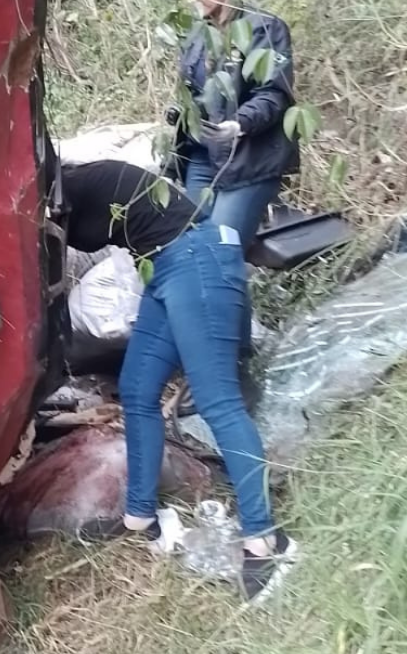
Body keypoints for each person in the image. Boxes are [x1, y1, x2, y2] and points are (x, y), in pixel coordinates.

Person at [62, 158, 298, 603]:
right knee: (137, 389)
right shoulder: (58, 191)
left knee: (217, 400)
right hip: (165, 267)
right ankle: (141, 514)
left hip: (198, 260)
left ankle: (267, 540)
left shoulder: (67, 186)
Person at [166, 0, 299, 249]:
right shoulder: (195, 35)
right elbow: (191, 94)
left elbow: (274, 96)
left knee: (221, 250)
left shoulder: (264, 28)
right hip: (202, 156)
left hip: (250, 159)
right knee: (190, 248)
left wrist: (238, 124)